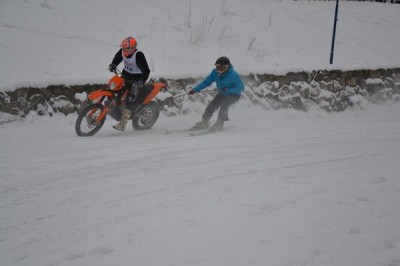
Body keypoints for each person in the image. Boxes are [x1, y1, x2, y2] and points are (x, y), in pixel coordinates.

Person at [188, 56, 244, 132]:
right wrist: (195, 90)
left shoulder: (233, 75)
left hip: (234, 94)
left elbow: (240, 88)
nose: (220, 70)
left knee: (225, 104)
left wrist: (227, 90)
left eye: (222, 68)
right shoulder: (214, 73)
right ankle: (204, 123)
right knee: (211, 106)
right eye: (218, 67)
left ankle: (219, 124)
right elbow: (206, 82)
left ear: (227, 67)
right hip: (222, 93)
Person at [108, 36, 150, 131]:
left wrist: (141, 82)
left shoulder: (138, 55)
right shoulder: (122, 51)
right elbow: (117, 58)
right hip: (125, 76)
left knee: (130, 99)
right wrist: (113, 64)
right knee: (115, 90)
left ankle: (122, 124)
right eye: (123, 48)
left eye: (127, 48)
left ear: (133, 47)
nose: (124, 50)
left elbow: (146, 71)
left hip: (137, 80)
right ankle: (116, 109)